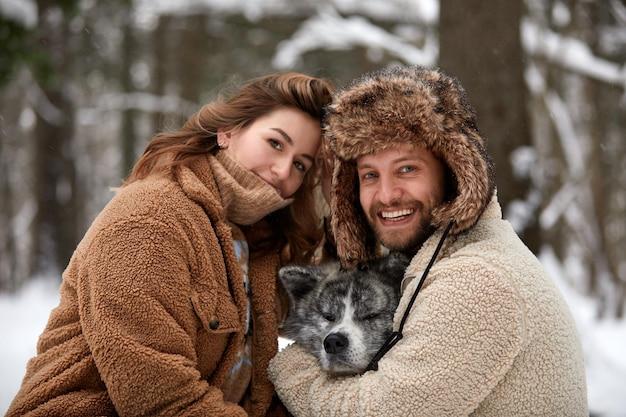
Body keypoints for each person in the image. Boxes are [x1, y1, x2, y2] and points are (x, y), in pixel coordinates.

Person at [7, 72, 332, 417]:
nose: (283, 171)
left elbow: (340, 303)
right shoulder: (150, 219)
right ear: (228, 131)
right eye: (275, 143)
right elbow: (158, 397)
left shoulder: (257, 238)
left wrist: (338, 195)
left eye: (300, 164)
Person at [268, 65, 588, 416]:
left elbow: (374, 413)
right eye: (370, 175)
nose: (387, 195)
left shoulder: (476, 280)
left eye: (407, 169)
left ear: (453, 171)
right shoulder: (445, 259)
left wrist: (288, 366)